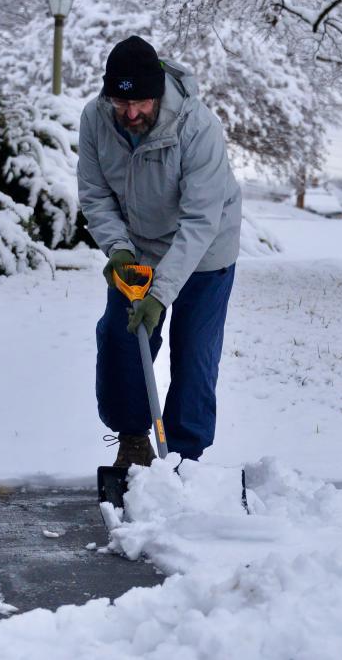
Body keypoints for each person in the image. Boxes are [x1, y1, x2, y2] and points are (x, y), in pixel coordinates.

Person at [78, 36, 242, 468]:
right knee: (120, 337)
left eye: (141, 103)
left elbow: (199, 222)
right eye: (120, 102)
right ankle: (133, 441)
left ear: (158, 92)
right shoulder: (96, 119)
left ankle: (184, 457)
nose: (130, 113)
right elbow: (95, 194)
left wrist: (160, 292)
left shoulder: (197, 127)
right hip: (137, 249)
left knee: (194, 353)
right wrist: (117, 248)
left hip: (205, 250)